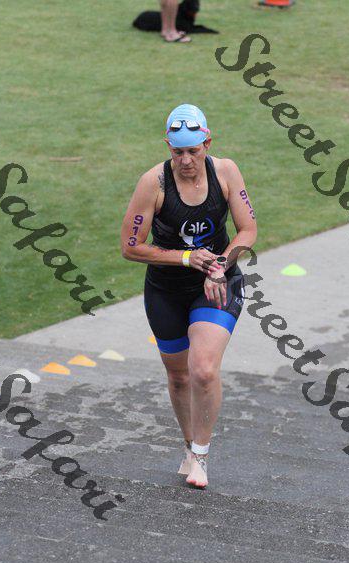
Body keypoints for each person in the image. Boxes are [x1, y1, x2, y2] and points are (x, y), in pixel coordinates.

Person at [120, 104, 257, 488]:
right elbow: (130, 247)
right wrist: (185, 257)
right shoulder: (153, 183)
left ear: (207, 144)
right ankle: (188, 446)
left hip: (216, 283)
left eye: (193, 151)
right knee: (179, 376)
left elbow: (247, 229)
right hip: (166, 290)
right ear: (168, 146)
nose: (185, 160)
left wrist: (219, 265)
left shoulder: (225, 172)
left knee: (204, 369)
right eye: (177, 151)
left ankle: (201, 455)